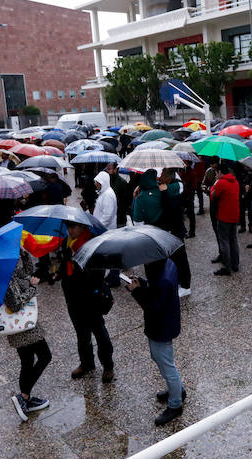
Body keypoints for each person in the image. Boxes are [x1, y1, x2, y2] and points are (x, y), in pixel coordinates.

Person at [128, 258, 186, 426]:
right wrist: (144, 283)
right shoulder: (168, 264)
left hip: (161, 327)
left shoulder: (162, 279)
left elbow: (154, 306)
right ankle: (177, 390)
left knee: (166, 365)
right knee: (163, 360)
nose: (143, 260)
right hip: (165, 324)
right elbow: (157, 291)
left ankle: (175, 404)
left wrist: (136, 291)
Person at [57, 222, 114, 383]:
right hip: (72, 296)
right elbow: (63, 266)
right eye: (68, 228)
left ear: (83, 227)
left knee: (99, 332)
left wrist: (79, 265)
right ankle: (86, 363)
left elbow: (97, 275)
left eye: (73, 227)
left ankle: (108, 365)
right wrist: (59, 272)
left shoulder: (92, 245)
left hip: (90, 298)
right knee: (81, 333)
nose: (70, 231)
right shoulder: (66, 243)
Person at [6, 251, 52, 422]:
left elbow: (26, 272)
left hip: (23, 324)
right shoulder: (5, 277)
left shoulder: (9, 270)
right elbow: (15, 303)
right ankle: (23, 396)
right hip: (23, 327)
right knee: (45, 356)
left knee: (27, 361)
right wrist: (32, 288)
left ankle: (26, 398)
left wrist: (25, 255)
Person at [156, 169, 193, 297]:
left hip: (177, 228)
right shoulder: (171, 186)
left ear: (168, 177)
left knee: (181, 257)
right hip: (172, 227)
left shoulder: (176, 188)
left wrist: (165, 191)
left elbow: (171, 206)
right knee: (174, 258)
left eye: (162, 176)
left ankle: (186, 285)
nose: (160, 178)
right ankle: (179, 282)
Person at [210, 162, 240, 276]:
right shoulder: (235, 181)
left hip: (224, 215)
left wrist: (216, 182)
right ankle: (235, 264)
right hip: (234, 215)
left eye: (217, 172)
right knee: (233, 240)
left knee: (224, 241)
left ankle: (226, 267)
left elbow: (213, 195)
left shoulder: (221, 183)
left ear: (220, 172)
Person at [106, 162, 130, 227]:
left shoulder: (122, 182)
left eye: (109, 169)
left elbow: (125, 201)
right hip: (110, 215)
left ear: (115, 169)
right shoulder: (107, 181)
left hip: (119, 216)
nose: (107, 171)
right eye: (107, 169)